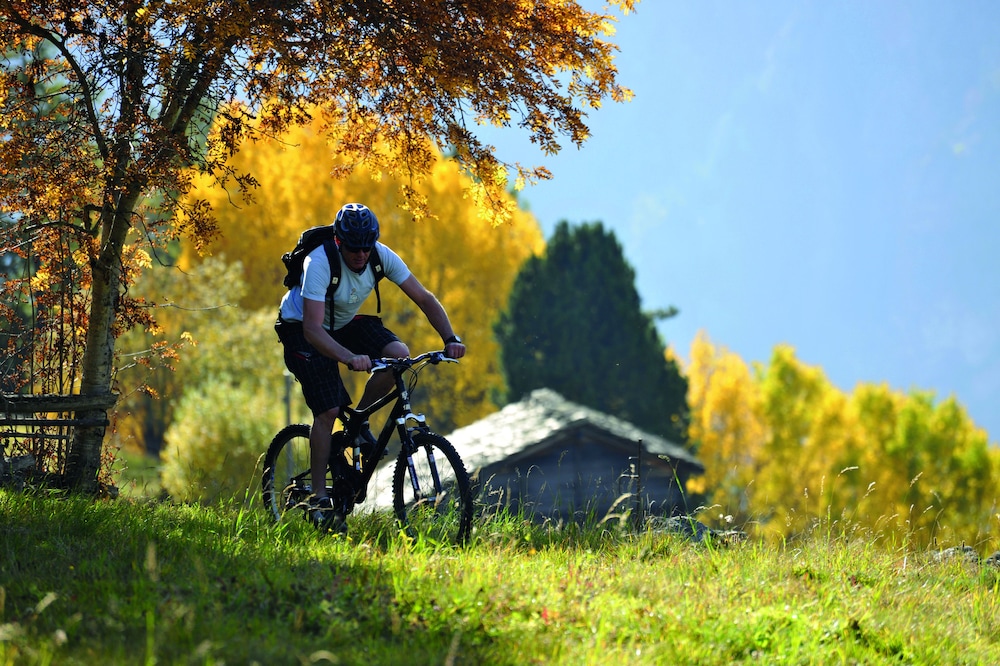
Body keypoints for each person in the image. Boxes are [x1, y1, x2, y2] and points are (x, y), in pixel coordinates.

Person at [275, 203, 466, 530]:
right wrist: (349, 357)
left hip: (342, 322)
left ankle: (359, 421)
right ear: (339, 241)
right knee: (328, 410)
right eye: (354, 248)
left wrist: (450, 337)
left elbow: (423, 298)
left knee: (399, 355)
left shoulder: (380, 256)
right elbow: (313, 330)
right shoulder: (318, 262)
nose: (362, 254)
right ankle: (318, 498)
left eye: (367, 246)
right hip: (301, 329)